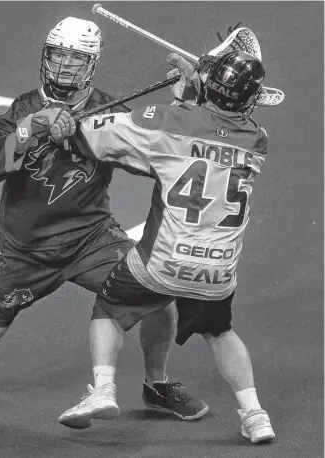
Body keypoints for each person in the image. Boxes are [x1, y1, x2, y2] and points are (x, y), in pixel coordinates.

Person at [0, 17, 209, 423]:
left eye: (76, 59)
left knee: (157, 297)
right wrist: (32, 128)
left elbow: (160, 156)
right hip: (24, 251)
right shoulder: (23, 109)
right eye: (57, 56)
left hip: (92, 239)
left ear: (91, 64)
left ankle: (156, 385)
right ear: (45, 57)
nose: (64, 66)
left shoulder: (108, 114)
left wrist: (186, 104)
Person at [46, 50, 276, 443]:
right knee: (221, 332)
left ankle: (102, 388)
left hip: (162, 263)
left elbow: (90, 135)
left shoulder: (165, 122)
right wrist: (194, 93)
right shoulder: (257, 140)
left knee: (108, 308)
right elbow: (210, 132)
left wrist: (63, 125)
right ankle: (254, 413)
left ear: (210, 88)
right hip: (217, 272)